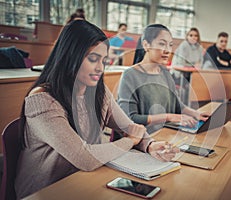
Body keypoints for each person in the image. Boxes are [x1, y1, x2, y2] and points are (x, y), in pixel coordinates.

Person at [15, 20, 178, 199]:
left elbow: (130, 127)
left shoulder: (98, 91)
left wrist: (150, 145)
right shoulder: (42, 99)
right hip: (44, 191)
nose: (100, 68)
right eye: (93, 59)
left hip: (82, 181)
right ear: (70, 56)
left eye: (104, 60)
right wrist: (130, 141)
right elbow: (85, 158)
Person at [118, 24, 209, 134]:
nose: (167, 50)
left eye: (170, 45)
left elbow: (177, 104)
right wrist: (169, 117)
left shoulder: (165, 73)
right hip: (144, 141)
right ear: (146, 45)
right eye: (162, 44)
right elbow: (129, 118)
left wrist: (196, 114)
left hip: (167, 135)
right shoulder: (129, 75)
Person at [170, 27, 205, 103]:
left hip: (191, 73)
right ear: (187, 36)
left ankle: (194, 104)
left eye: (196, 35)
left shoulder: (200, 47)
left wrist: (197, 65)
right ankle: (186, 105)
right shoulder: (184, 45)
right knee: (190, 85)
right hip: (178, 74)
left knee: (200, 82)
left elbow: (201, 62)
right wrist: (193, 65)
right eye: (191, 35)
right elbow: (181, 62)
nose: (193, 37)